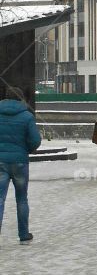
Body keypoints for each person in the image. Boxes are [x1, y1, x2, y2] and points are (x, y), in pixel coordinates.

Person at [0, 88, 42, 244]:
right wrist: (27, 150)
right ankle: (24, 235)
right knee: (22, 199)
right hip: (20, 162)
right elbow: (35, 140)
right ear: (21, 99)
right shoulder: (27, 116)